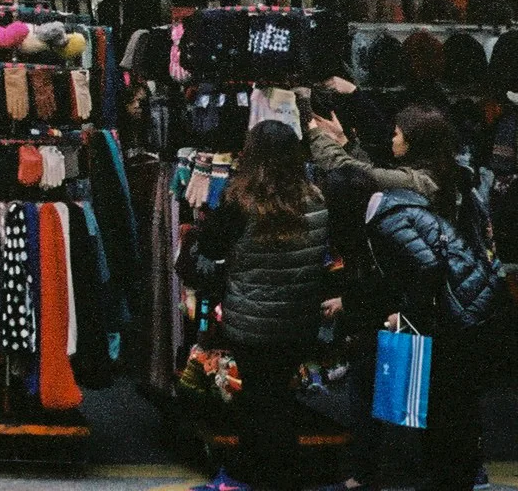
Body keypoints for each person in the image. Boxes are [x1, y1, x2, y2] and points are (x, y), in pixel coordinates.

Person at [319, 163, 504, 491]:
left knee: (449, 409)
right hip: (465, 310)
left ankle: (451, 479)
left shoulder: (386, 222)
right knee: (450, 409)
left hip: (463, 314)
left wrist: (404, 317)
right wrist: (353, 302)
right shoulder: (389, 211)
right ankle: (451, 477)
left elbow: (427, 267)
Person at [179, 121, 331, 491]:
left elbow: (210, 248)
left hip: (250, 321)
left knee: (256, 400)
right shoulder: (316, 201)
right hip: (299, 321)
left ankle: (253, 477)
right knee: (280, 397)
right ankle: (277, 476)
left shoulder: (240, 203)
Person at [308, 101, 451, 203]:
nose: (393, 139)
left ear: (413, 141)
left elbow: (353, 172)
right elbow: (369, 173)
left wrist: (315, 131)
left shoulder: (415, 181)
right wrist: (343, 141)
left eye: (397, 134)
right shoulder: (432, 174)